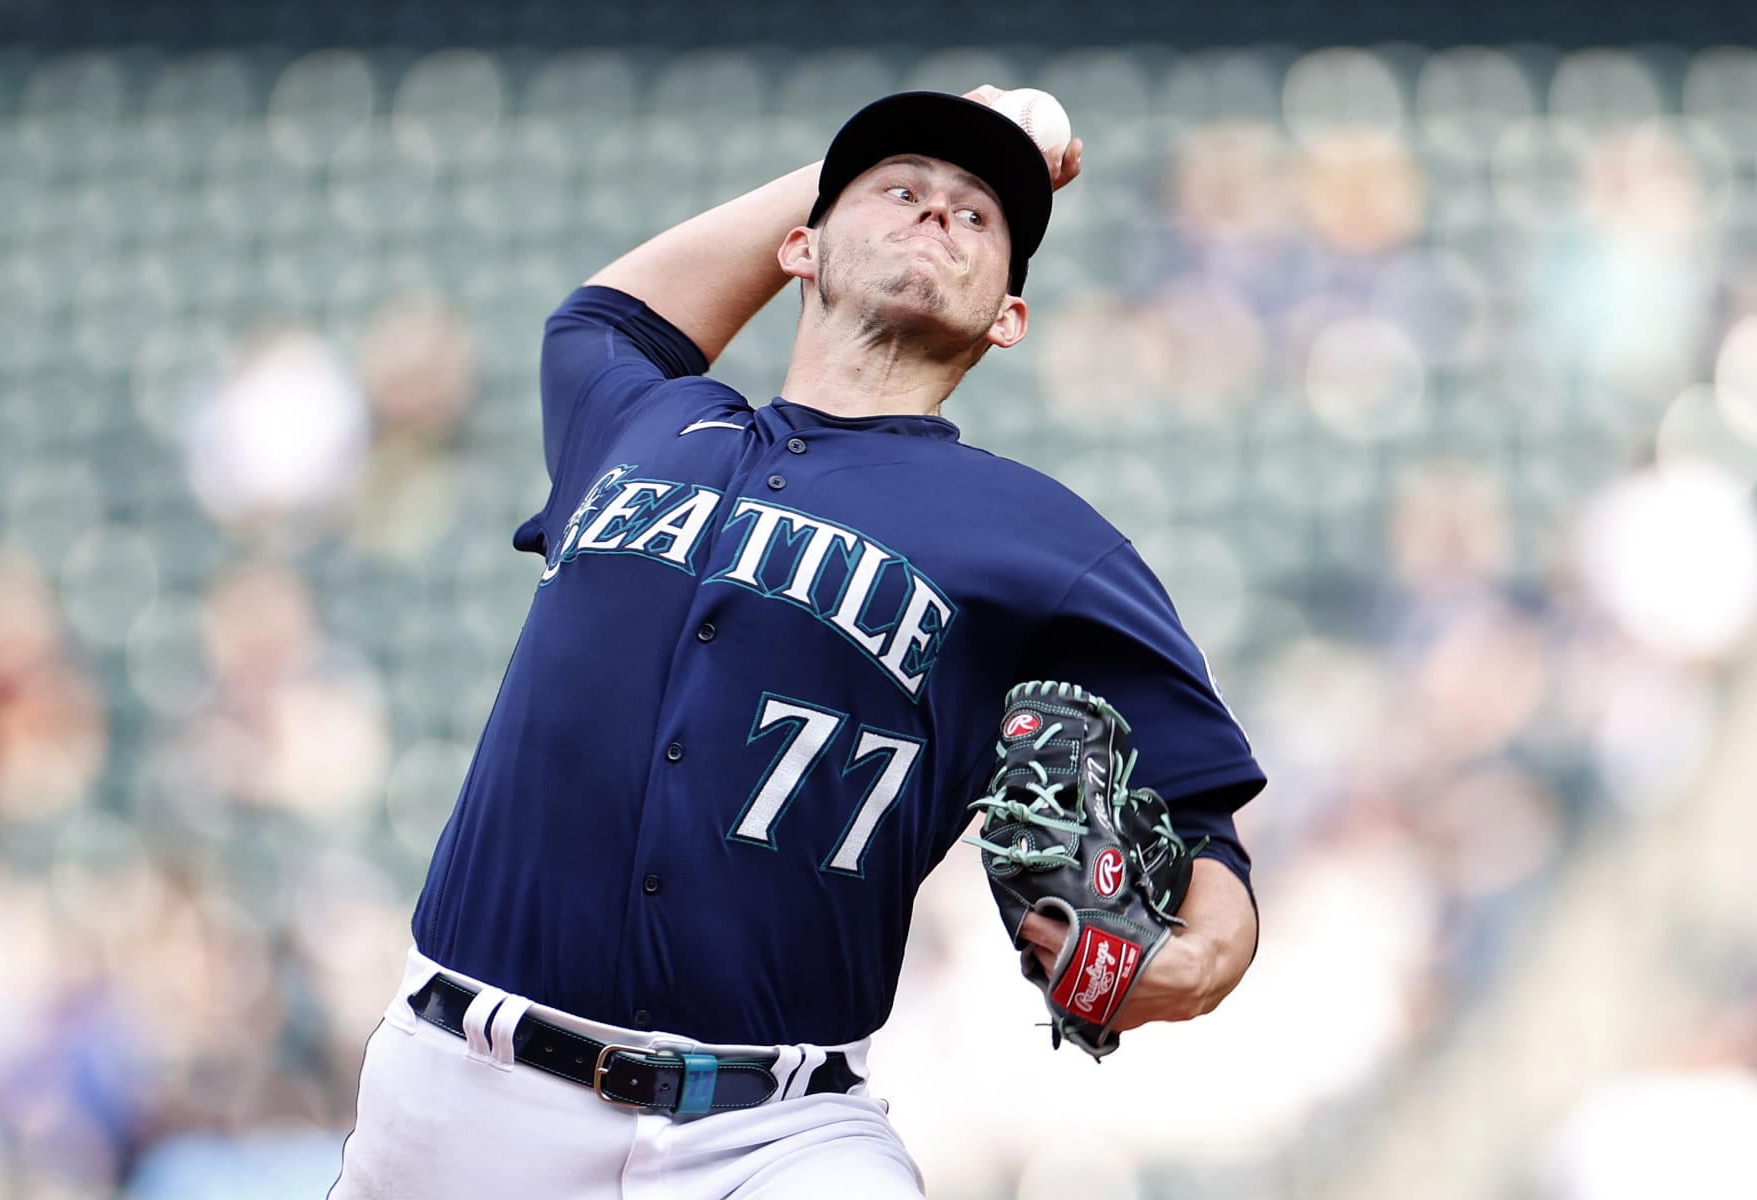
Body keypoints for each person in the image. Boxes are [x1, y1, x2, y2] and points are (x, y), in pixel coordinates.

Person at [330, 85, 1266, 1200]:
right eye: (901, 192)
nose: (937, 215)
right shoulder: (645, 424)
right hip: (462, 1103)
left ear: (1008, 315)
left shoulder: (1049, 543)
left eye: (978, 217)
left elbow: (1204, 830)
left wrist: (1200, 963)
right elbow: (605, 316)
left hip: (777, 1137)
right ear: (799, 245)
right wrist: (911, 147)